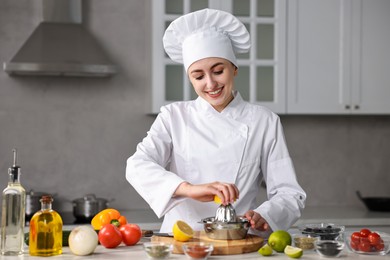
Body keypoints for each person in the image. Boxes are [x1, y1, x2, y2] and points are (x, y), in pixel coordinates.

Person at [126, 8, 306, 236]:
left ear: (234, 69)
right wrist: (188, 189)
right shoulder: (174, 116)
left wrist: (265, 214)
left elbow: (289, 193)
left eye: (218, 71)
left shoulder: (264, 121)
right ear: (190, 79)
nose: (210, 83)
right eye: (199, 76)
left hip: (238, 238)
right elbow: (137, 165)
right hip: (182, 240)